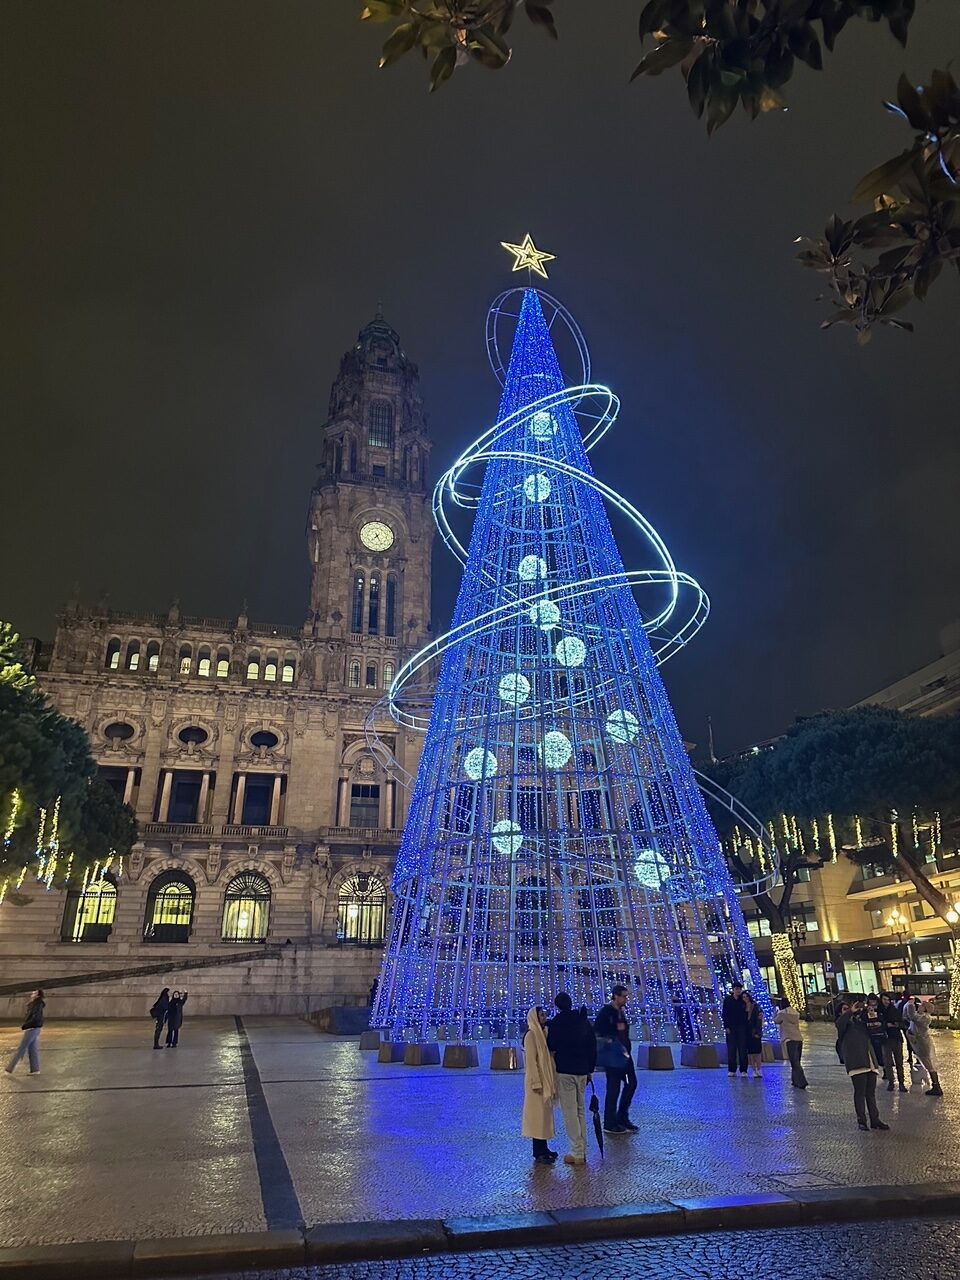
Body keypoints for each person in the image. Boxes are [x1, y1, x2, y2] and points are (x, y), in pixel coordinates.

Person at [547, 993, 597, 1167]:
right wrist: (590, 1069)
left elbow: (551, 1045)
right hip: (582, 1070)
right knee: (580, 1110)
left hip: (565, 1070)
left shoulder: (557, 1023)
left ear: (557, 1006)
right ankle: (582, 1150)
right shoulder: (582, 1020)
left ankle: (576, 1152)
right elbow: (592, 1045)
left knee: (570, 1113)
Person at [836, 996, 889, 1131]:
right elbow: (840, 1023)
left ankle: (875, 1120)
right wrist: (850, 1012)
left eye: (850, 1007)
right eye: (845, 1009)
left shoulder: (860, 1021)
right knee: (860, 1092)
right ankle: (861, 1120)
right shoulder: (843, 1025)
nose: (849, 1010)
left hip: (869, 1060)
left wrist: (870, 1013)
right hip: (856, 1062)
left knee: (870, 1093)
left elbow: (874, 1028)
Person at [594, 984, 637, 1134]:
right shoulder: (607, 1012)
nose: (626, 999)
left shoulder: (621, 1012)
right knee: (613, 1088)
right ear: (615, 996)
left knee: (631, 1083)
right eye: (624, 996)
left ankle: (622, 1116)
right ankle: (610, 1122)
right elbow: (598, 1030)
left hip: (625, 1054)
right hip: (613, 1055)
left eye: (626, 996)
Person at [522, 1006, 558, 1164]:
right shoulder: (531, 1035)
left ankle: (544, 1148)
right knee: (537, 1117)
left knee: (544, 1116)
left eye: (544, 1015)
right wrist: (536, 1082)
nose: (544, 1017)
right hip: (536, 1083)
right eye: (541, 1015)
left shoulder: (543, 1033)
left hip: (546, 1080)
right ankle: (538, 1151)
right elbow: (531, 1061)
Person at [904, 998, 943, 1096]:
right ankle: (935, 1086)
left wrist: (910, 1004)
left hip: (923, 1044)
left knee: (929, 1065)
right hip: (920, 1043)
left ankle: (936, 1086)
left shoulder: (925, 1018)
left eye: (921, 1005)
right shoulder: (921, 1016)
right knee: (928, 1064)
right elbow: (909, 1017)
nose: (919, 1006)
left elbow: (912, 1016)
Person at [4, 989, 45, 1075]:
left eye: (34, 993)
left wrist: (26, 1025)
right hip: (35, 1028)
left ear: (38, 995)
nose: (32, 993)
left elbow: (35, 1017)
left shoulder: (37, 1004)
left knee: (21, 1049)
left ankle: (9, 1069)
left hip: (32, 1028)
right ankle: (35, 1070)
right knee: (32, 1049)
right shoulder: (35, 1004)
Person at [774, 997, 807, 1088]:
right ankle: (795, 1080)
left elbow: (775, 1020)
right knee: (797, 1061)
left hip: (789, 1039)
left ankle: (801, 1081)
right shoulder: (795, 1013)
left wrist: (776, 1011)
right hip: (798, 1038)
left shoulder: (782, 1014)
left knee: (794, 1062)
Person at [879, 993, 908, 1092]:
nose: (886, 1001)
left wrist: (896, 1024)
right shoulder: (879, 1011)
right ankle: (891, 1082)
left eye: (888, 999)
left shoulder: (894, 1010)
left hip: (896, 1038)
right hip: (885, 1039)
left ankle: (901, 1083)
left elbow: (902, 1023)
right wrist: (885, 1025)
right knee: (887, 1062)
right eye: (884, 999)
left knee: (899, 1062)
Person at [722, 982, 749, 1077]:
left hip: (742, 1027)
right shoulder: (728, 1000)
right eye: (736, 989)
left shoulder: (743, 1000)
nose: (738, 990)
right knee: (731, 1050)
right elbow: (724, 1014)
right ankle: (732, 1069)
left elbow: (748, 1012)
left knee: (742, 1049)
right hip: (731, 1028)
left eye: (739, 989)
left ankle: (743, 1070)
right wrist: (726, 1027)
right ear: (733, 989)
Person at [864, 996, 888, 1082]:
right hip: (871, 1037)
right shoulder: (864, 1012)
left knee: (882, 1055)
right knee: (874, 1055)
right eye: (871, 1001)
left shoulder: (880, 1011)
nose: (873, 1004)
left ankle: (886, 1070)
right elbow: (863, 1022)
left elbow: (884, 1022)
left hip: (880, 1036)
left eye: (874, 1002)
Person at [743, 991, 763, 1077]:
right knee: (750, 1053)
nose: (745, 999)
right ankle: (754, 1070)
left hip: (755, 1031)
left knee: (757, 1052)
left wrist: (757, 1032)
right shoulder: (741, 1007)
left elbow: (759, 1019)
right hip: (746, 1032)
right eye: (743, 997)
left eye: (746, 997)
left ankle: (759, 1069)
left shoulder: (755, 1006)